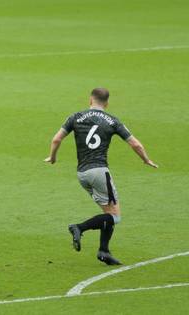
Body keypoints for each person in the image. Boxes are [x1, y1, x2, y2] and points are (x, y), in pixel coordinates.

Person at [45, 88, 158, 265]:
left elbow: (56, 140)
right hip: (99, 172)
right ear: (106, 103)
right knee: (115, 216)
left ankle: (104, 252)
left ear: (90, 100)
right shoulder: (112, 121)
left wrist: (53, 157)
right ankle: (79, 228)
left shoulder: (75, 117)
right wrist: (146, 159)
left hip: (82, 174)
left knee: (107, 214)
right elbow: (135, 144)